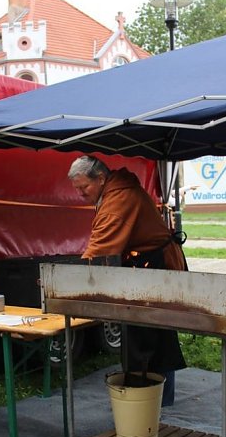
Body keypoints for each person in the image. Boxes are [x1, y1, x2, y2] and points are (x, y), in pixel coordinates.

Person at [68, 156, 187, 406]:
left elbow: (100, 248)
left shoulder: (118, 199)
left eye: (84, 187)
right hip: (144, 266)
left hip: (156, 267)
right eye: (77, 189)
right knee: (148, 334)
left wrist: (71, 282)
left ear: (101, 179)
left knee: (153, 335)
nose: (80, 194)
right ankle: (154, 397)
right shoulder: (113, 192)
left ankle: (155, 401)